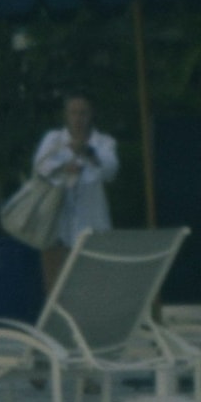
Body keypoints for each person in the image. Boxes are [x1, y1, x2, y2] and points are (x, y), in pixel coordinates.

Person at [31, 96, 118, 283]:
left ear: (90, 115)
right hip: (56, 225)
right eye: (73, 113)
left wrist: (87, 152)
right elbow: (40, 167)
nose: (78, 118)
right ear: (66, 115)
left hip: (92, 225)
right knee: (56, 284)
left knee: (92, 282)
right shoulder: (54, 139)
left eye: (83, 113)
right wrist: (63, 168)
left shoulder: (103, 142)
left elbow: (110, 170)